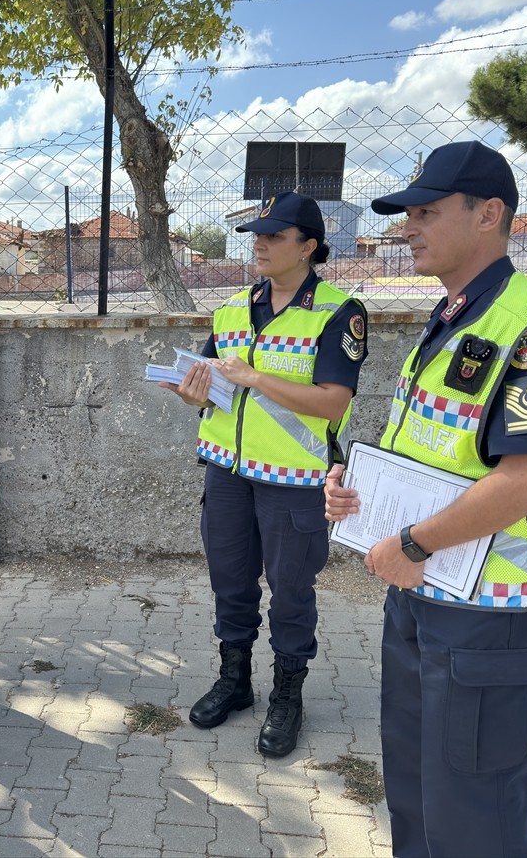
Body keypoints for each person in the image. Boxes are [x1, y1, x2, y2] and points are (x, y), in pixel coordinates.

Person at [323, 141, 527, 857]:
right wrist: (359, 492)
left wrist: (415, 543)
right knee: (419, 797)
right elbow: (433, 451)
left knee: (474, 817)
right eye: (407, 213)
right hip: (424, 594)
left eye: (426, 211)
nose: (408, 226)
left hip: (489, 615)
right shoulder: (453, 318)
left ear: (488, 214)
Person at [162, 191, 367, 758]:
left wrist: (254, 377)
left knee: (291, 593)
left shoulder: (338, 311)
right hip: (227, 472)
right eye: (258, 234)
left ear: (309, 247)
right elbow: (215, 390)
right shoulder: (230, 309)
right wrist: (191, 393)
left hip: (296, 482)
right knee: (230, 583)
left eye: (276, 236)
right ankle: (235, 682)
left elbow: (332, 402)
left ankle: (287, 695)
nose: (262, 244)